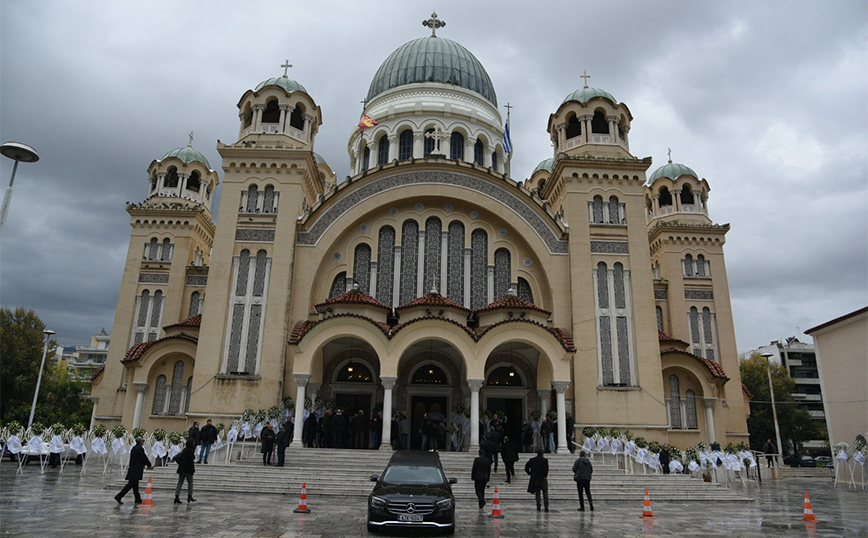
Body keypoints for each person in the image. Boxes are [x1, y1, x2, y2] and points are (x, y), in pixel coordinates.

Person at [114, 436, 153, 505]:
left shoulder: (134, 448)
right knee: (131, 484)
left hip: (133, 468)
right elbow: (143, 457)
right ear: (140, 442)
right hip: (136, 469)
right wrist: (149, 465)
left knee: (135, 485)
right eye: (142, 441)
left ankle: (137, 499)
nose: (143, 442)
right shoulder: (139, 448)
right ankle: (119, 496)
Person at [173, 438, 196, 504]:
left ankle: (177, 496)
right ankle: (189, 495)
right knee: (190, 483)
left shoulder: (184, 450)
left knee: (180, 482)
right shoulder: (191, 450)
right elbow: (190, 459)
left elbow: (177, 457)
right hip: (188, 469)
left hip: (182, 468)